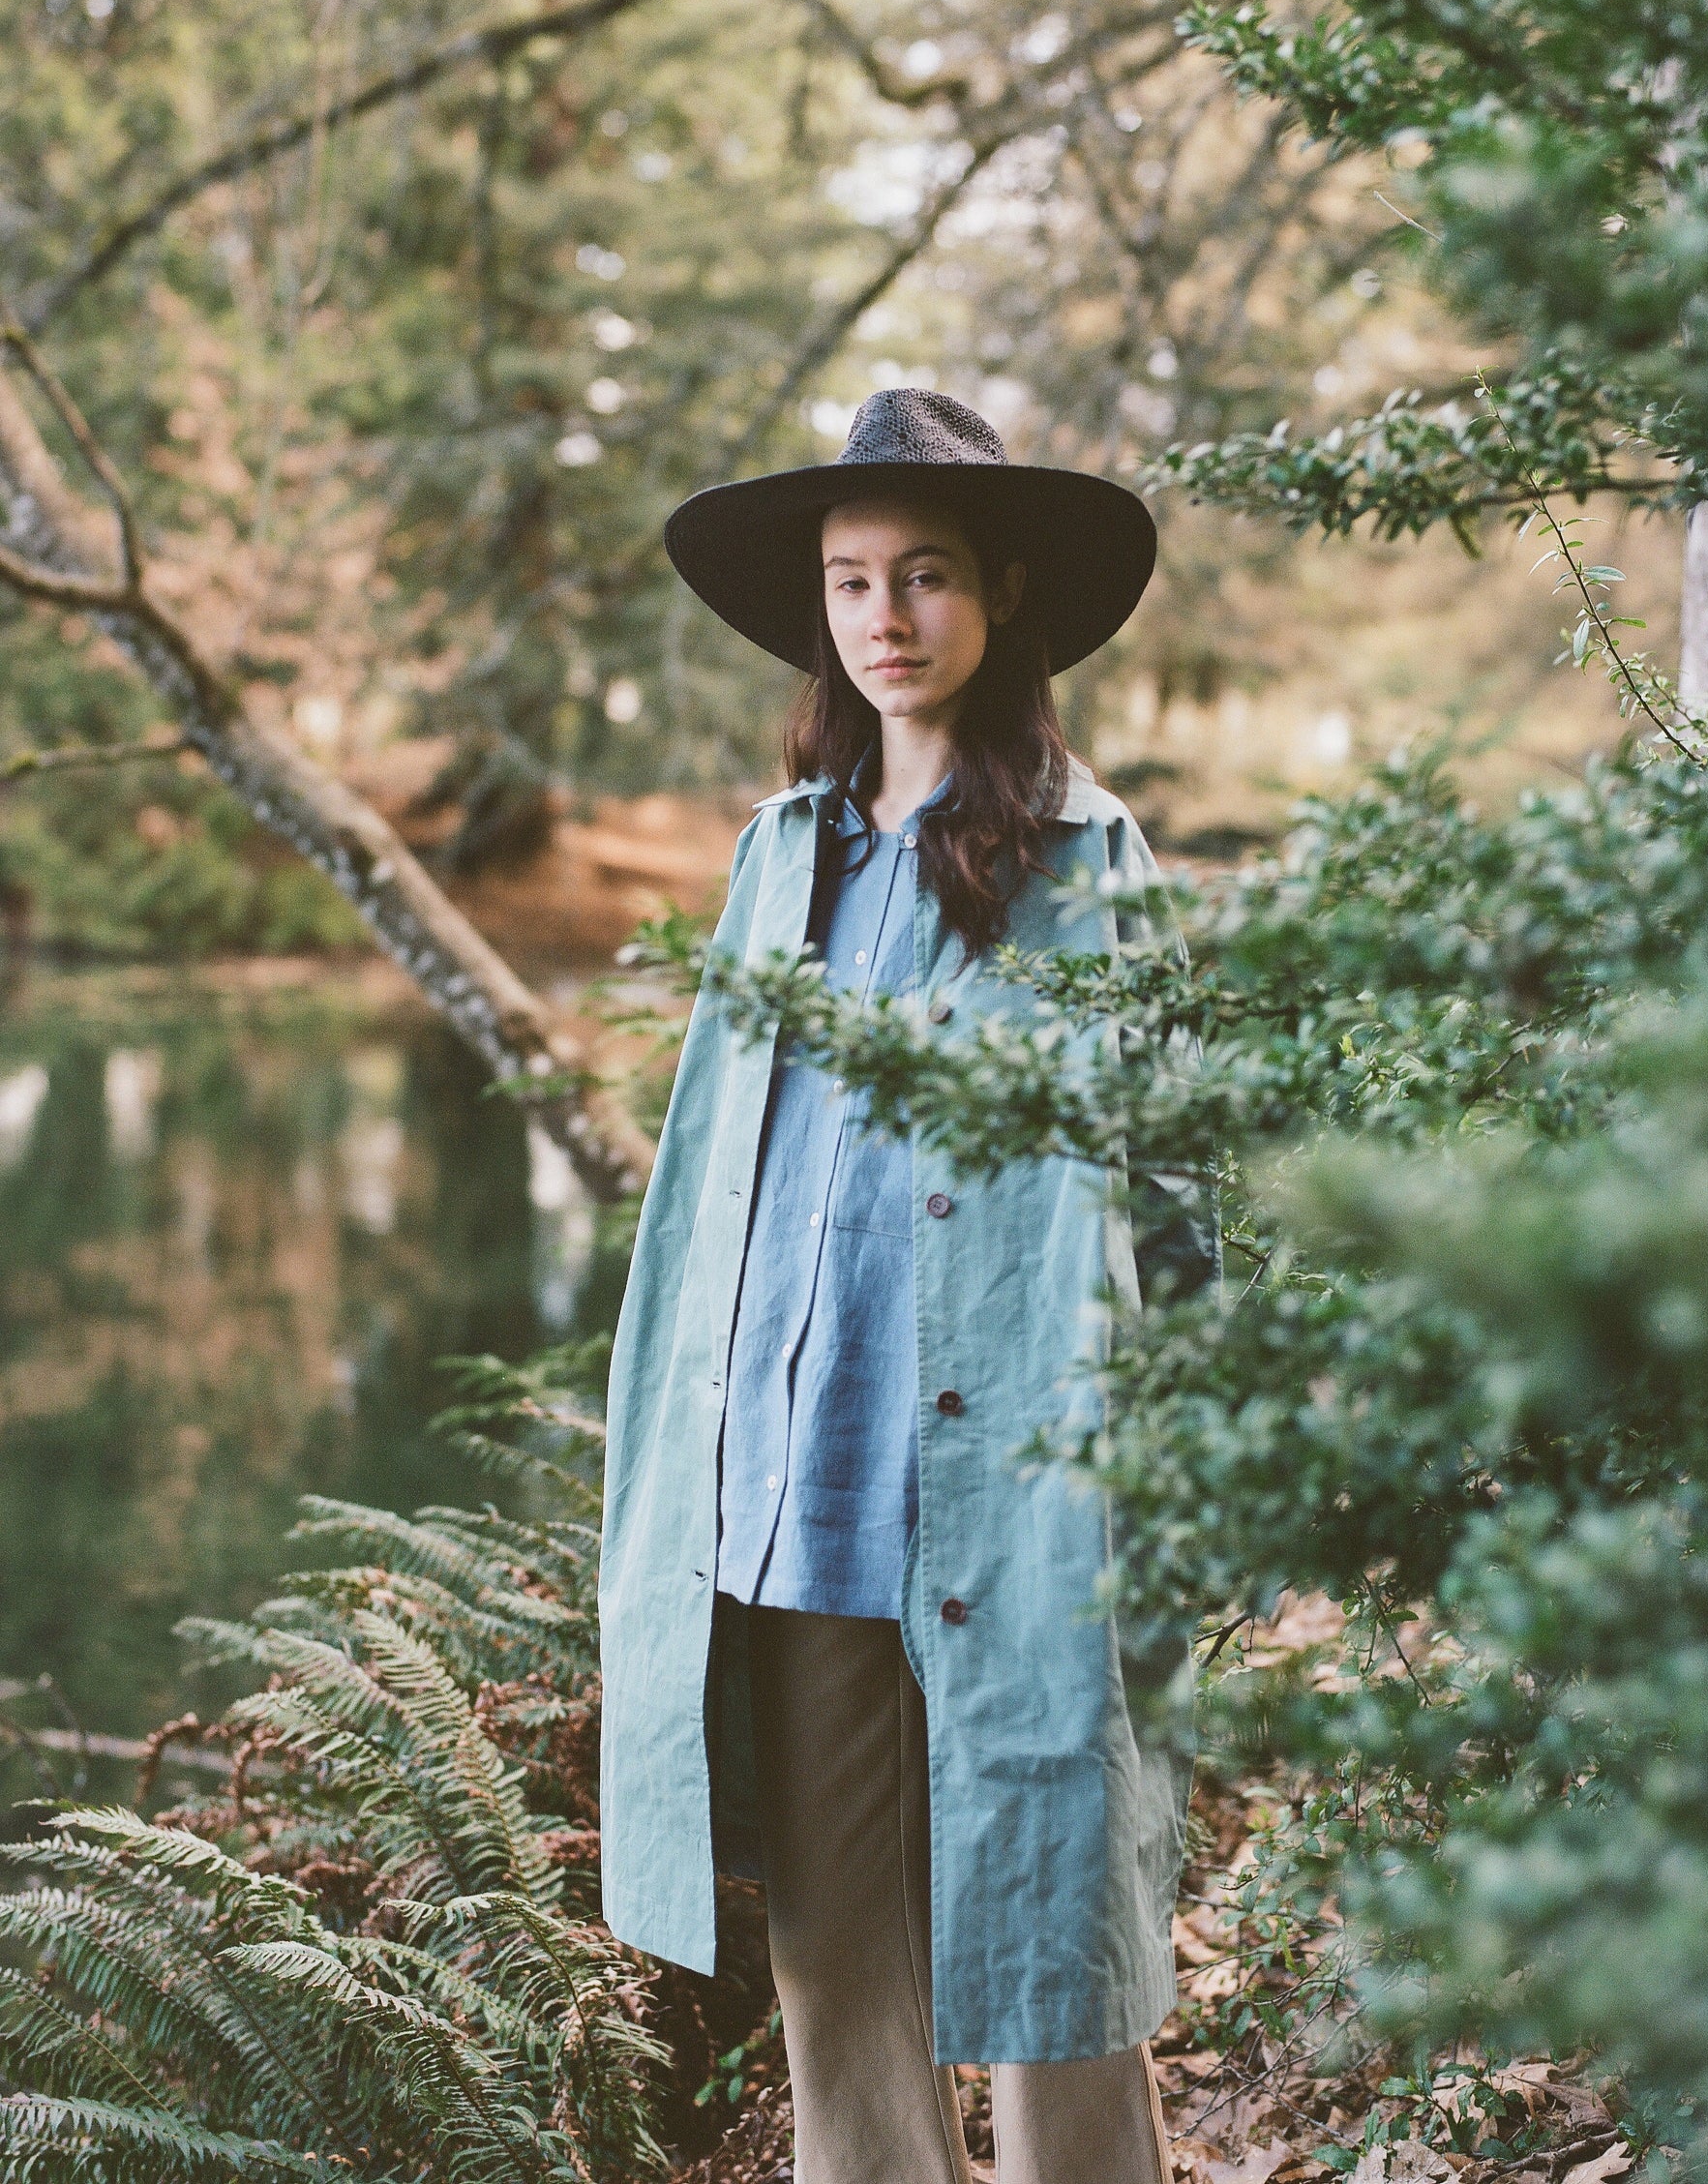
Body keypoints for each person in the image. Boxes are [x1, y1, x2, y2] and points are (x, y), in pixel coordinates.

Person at [599, 389, 1217, 2184]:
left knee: (1055, 1951)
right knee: (835, 1979)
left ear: (1003, 594)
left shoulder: (1096, 875)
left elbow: (1177, 1217)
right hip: (798, 1494)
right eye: (852, 580)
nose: (884, 616)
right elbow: (712, 1193)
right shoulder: (776, 858)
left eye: (925, 574)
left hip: (1026, 1507)